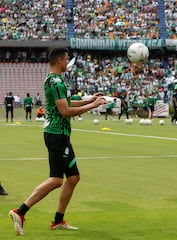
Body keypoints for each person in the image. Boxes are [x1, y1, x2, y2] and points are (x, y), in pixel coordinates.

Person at [8, 48, 106, 235]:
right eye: (66, 59)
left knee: (73, 177)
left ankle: (58, 220)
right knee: (55, 180)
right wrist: (93, 106)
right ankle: (20, 212)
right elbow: (65, 111)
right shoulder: (56, 81)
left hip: (60, 134)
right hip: (56, 135)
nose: (68, 62)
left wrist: (89, 100)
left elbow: (67, 103)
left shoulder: (55, 80)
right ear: (60, 60)